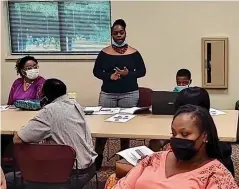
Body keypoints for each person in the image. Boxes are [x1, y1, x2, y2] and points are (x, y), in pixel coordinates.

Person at [105, 105, 238, 189]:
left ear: (205, 136)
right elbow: (124, 186)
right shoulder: (154, 159)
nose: (177, 139)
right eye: (173, 133)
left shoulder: (216, 176)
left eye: (185, 134)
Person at [5, 78, 97, 189]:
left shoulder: (49, 111)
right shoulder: (74, 104)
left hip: (68, 175)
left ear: (45, 96)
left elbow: (18, 139)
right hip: (89, 168)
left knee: (8, 179)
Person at [93, 19, 146, 170]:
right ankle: (98, 158)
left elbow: (142, 71)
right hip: (108, 94)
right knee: (103, 128)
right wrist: (109, 76)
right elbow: (96, 71)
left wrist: (128, 73)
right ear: (111, 35)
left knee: (125, 129)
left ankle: (124, 159)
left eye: (121, 32)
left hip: (129, 93)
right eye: (115, 33)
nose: (118, 35)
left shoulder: (134, 53)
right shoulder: (104, 53)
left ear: (125, 33)